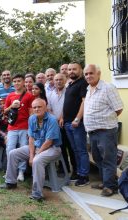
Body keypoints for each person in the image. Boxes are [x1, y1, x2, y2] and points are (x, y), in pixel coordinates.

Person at [0, 98, 62, 202]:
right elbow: (31, 139)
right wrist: (32, 155)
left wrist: (36, 156)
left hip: (52, 148)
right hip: (37, 146)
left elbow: (49, 141)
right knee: (13, 153)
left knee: (37, 161)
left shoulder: (52, 120)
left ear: (45, 107)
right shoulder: (32, 118)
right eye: (34, 107)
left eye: (39, 107)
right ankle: (10, 182)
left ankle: (37, 194)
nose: (37, 109)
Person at [83, 64, 124, 196]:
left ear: (98, 74)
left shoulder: (108, 88)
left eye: (91, 73)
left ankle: (111, 187)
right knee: (97, 158)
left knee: (108, 159)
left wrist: (106, 121)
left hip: (106, 131)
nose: (88, 76)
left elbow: (118, 108)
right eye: (86, 74)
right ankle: (105, 181)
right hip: (93, 131)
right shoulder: (89, 89)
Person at [62, 62, 90, 186]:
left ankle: (84, 176)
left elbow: (84, 102)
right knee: (75, 150)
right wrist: (63, 117)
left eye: (74, 69)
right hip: (68, 123)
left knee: (81, 150)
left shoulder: (83, 83)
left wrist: (77, 119)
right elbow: (67, 103)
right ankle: (79, 172)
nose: (71, 71)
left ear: (81, 70)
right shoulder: (70, 84)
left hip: (77, 124)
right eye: (70, 69)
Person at [4, 74, 34, 182]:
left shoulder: (29, 96)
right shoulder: (10, 96)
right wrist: (12, 106)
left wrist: (30, 129)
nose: (16, 83)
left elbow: (31, 114)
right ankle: (11, 171)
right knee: (9, 148)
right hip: (12, 127)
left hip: (24, 127)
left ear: (23, 82)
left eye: (19, 81)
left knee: (22, 148)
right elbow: (5, 111)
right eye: (15, 81)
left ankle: (21, 171)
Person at [47, 73, 76, 176]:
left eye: (60, 79)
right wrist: (56, 119)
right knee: (61, 147)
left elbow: (68, 106)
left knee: (71, 147)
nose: (58, 81)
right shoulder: (50, 94)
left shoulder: (68, 92)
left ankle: (75, 171)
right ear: (53, 81)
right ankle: (64, 168)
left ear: (65, 80)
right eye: (56, 80)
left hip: (67, 123)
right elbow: (49, 108)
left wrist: (62, 117)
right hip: (56, 124)